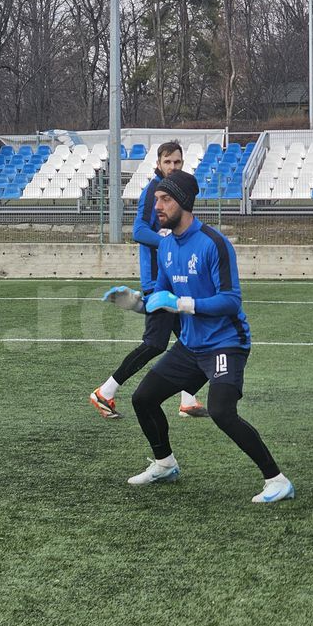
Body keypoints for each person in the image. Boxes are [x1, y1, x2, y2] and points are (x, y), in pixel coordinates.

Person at [124, 169, 295, 504]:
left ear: (184, 203)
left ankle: (277, 480)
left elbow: (231, 300)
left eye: (165, 199)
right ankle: (165, 464)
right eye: (156, 198)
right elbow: (162, 299)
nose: (157, 205)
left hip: (226, 344)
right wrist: (135, 304)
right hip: (190, 346)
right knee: (143, 398)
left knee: (221, 411)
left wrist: (182, 303)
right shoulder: (168, 246)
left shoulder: (214, 244)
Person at [91, 140, 207, 420]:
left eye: (177, 162)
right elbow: (139, 231)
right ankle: (104, 392)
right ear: (158, 164)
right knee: (155, 344)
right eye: (168, 162)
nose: (173, 166)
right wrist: (167, 244)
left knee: (196, 340)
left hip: (175, 281)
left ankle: (188, 400)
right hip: (158, 282)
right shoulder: (153, 193)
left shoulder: (176, 194)